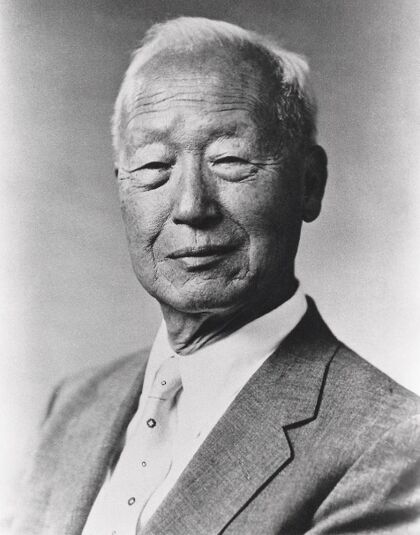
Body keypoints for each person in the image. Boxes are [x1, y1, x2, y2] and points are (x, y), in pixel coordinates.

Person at [12, 16, 420, 535]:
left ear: (309, 184)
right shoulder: (73, 405)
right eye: (154, 166)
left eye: (229, 160)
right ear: (122, 189)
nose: (190, 207)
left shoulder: (392, 445)